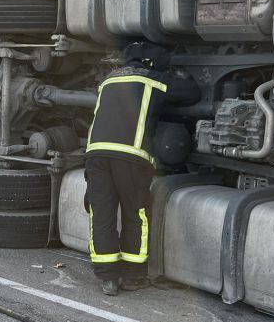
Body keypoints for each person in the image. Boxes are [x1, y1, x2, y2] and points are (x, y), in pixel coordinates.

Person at [84, 41, 200, 296]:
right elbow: (192, 93)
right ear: (152, 63)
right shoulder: (153, 80)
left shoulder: (107, 81)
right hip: (130, 156)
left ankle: (107, 278)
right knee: (135, 214)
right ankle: (134, 275)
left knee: (100, 213)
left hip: (96, 154)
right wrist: (181, 75)